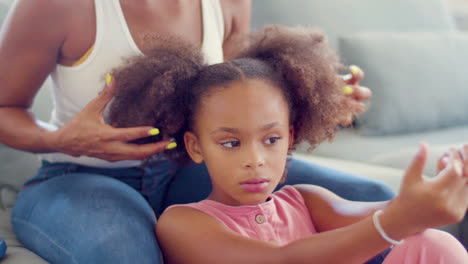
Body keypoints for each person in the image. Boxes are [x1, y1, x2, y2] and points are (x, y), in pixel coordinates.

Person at [0, 0, 393, 263]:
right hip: (77, 177)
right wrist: (59, 138)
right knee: (124, 251)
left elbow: (237, 93)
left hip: (192, 168)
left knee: (375, 199)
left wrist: (321, 96)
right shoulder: (58, 6)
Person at [107, 25, 468, 263]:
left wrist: (434, 196)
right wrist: (395, 221)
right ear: (196, 146)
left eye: (271, 139)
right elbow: (283, 261)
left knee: (434, 246)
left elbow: (381, 216)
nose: (256, 160)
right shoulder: (182, 223)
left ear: (291, 138)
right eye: (231, 143)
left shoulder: (305, 200)